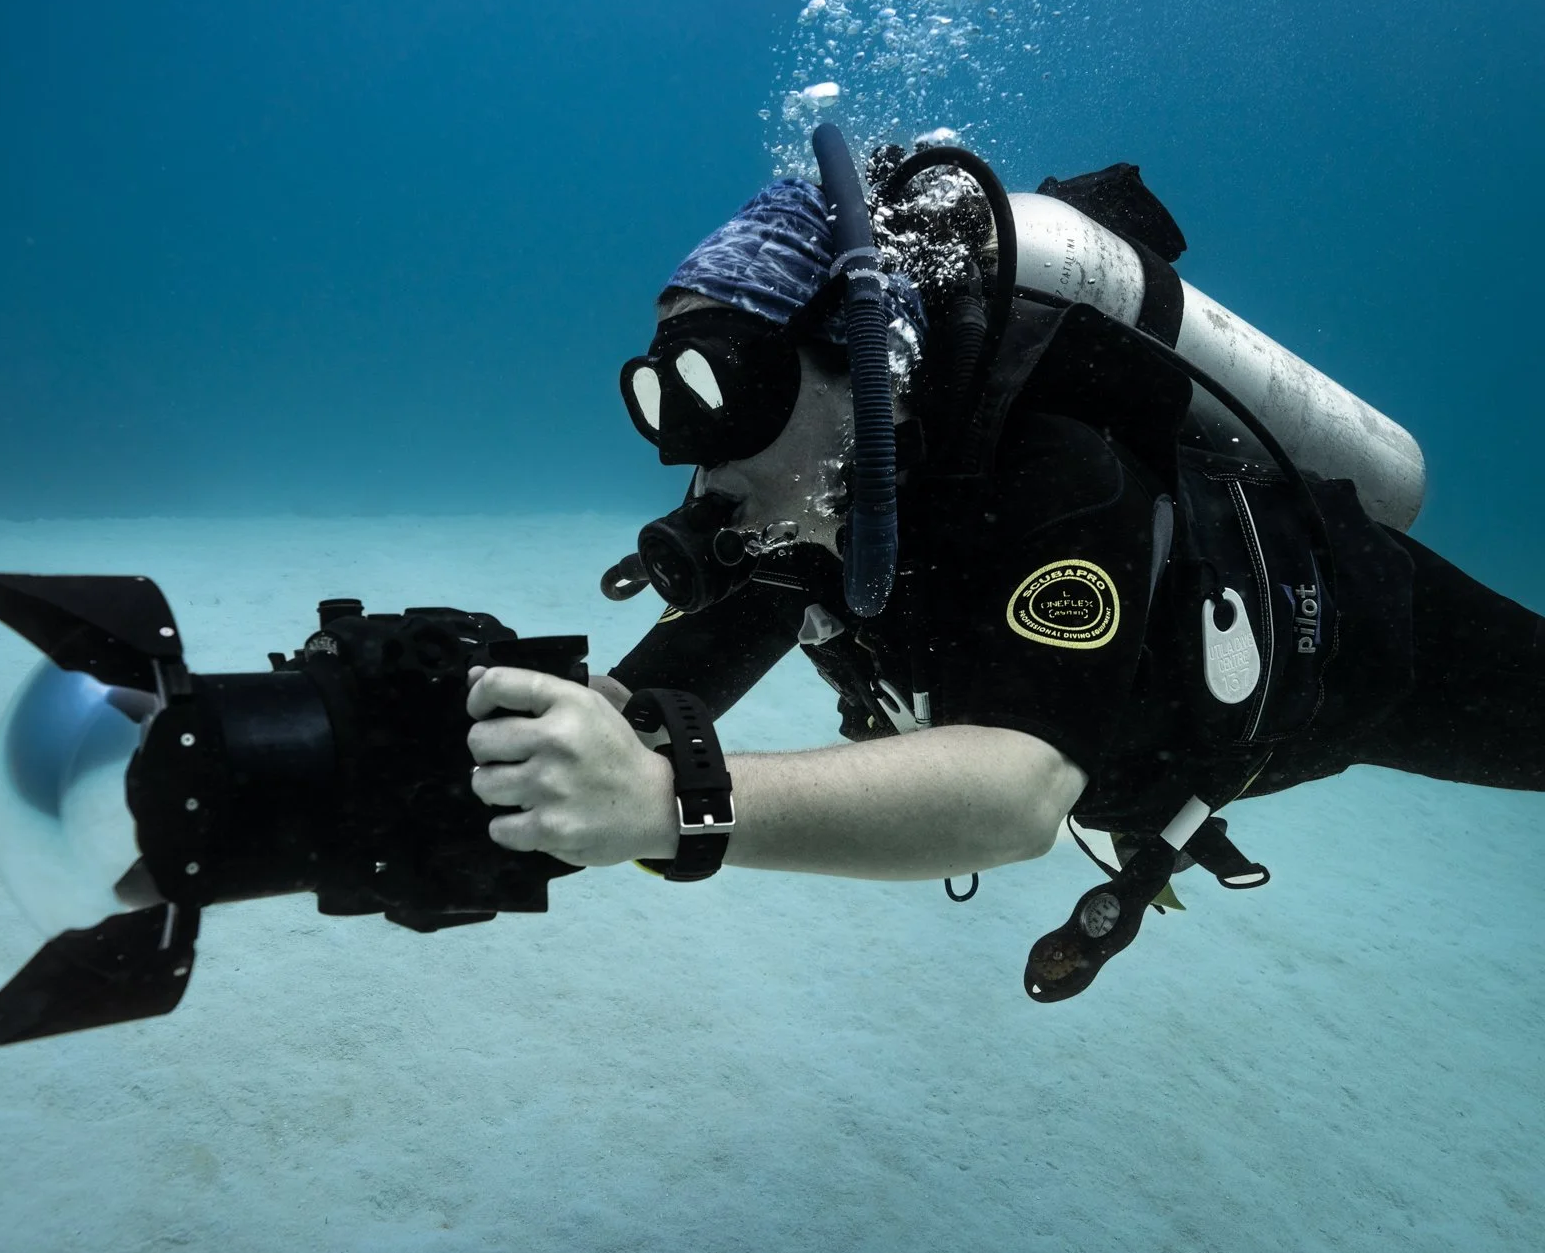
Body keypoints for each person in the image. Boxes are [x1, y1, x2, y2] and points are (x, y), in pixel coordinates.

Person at [460, 139, 1545, 998]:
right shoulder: (825, 504)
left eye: (723, 386)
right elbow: (671, 681)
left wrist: (658, 802)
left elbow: (1018, 792)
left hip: (1367, 643)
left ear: (861, 359)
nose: (689, 446)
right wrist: (538, 736)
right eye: (660, 396)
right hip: (1178, 743)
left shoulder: (1049, 468)